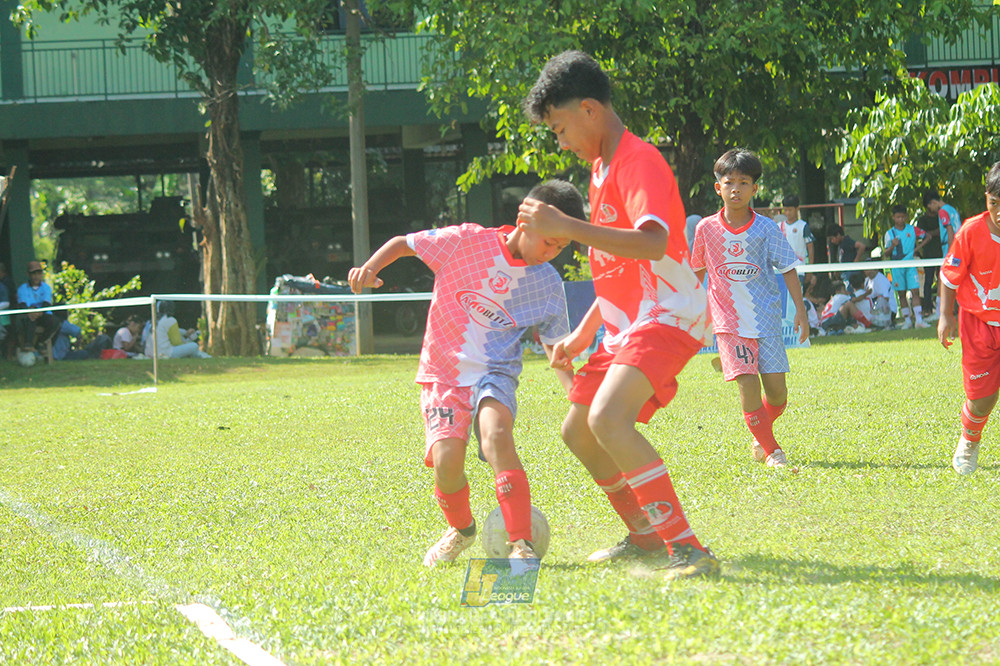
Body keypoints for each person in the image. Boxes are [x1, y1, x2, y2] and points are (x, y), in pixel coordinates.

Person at [517, 50, 718, 579]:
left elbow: (652, 244)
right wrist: (584, 335)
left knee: (608, 418)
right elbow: (614, 272)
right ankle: (646, 534)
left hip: (670, 313)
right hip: (626, 325)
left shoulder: (639, 161)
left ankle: (687, 547)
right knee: (578, 431)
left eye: (559, 128)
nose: (559, 141)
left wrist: (568, 225)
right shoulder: (600, 168)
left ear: (588, 110)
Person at [349, 180, 579, 567]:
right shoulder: (465, 240)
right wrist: (370, 268)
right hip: (444, 374)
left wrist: (575, 393)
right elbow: (404, 243)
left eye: (561, 247)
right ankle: (462, 530)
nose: (552, 254)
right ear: (525, 221)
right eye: (549, 243)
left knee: (497, 436)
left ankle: (520, 542)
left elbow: (557, 347)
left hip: (496, 373)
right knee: (447, 464)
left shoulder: (548, 284)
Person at [691, 149, 809, 468]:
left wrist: (801, 312)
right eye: (729, 182)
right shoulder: (706, 229)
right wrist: (688, 314)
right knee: (748, 385)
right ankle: (774, 452)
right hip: (729, 324)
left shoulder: (767, 229)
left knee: (778, 394)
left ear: (755, 188)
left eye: (744, 182)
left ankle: (760, 436)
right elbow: (696, 273)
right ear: (718, 187)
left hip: (767, 323)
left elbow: (787, 268)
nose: (736, 189)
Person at [938, 161, 1000, 475]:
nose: (999, 212)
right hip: (979, 324)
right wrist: (945, 316)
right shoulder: (971, 231)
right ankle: (969, 439)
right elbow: (949, 277)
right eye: (994, 204)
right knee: (983, 399)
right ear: (986, 198)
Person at [883, 204, 929, 329]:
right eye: (898, 217)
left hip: (911, 264)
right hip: (897, 266)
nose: (900, 220)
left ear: (906, 217)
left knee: (915, 291)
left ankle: (919, 320)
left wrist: (916, 249)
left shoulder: (912, 229)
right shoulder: (890, 234)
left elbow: (927, 236)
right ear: (893, 217)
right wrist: (892, 246)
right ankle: (907, 320)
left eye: (903, 217)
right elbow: (886, 253)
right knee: (901, 294)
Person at [14, 260, 60, 354]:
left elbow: (46, 303)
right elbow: (22, 304)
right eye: (33, 273)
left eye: (39, 273)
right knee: (28, 320)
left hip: (43, 314)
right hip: (28, 315)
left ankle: (42, 342)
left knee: (55, 322)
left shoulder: (46, 287)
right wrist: (31, 312)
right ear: (28, 274)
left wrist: (39, 312)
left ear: (42, 274)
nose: (36, 276)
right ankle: (28, 343)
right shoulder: (22, 289)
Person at [145, 300, 210, 359]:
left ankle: (201, 357)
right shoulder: (170, 320)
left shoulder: (150, 321)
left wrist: (185, 333)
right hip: (164, 353)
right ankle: (203, 357)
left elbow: (165, 331)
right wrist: (187, 341)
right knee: (194, 346)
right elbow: (176, 342)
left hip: (149, 353)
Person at [779, 194, 815, 264]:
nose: (788, 213)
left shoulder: (803, 226)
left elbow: (810, 247)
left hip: (800, 268)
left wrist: (810, 269)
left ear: (797, 209)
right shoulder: (779, 226)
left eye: (790, 210)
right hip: (784, 270)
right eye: (785, 210)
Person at [864, 262, 896, 329]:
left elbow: (885, 299)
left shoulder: (881, 279)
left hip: (888, 310)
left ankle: (887, 323)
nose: (867, 271)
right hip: (875, 309)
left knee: (881, 299)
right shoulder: (867, 280)